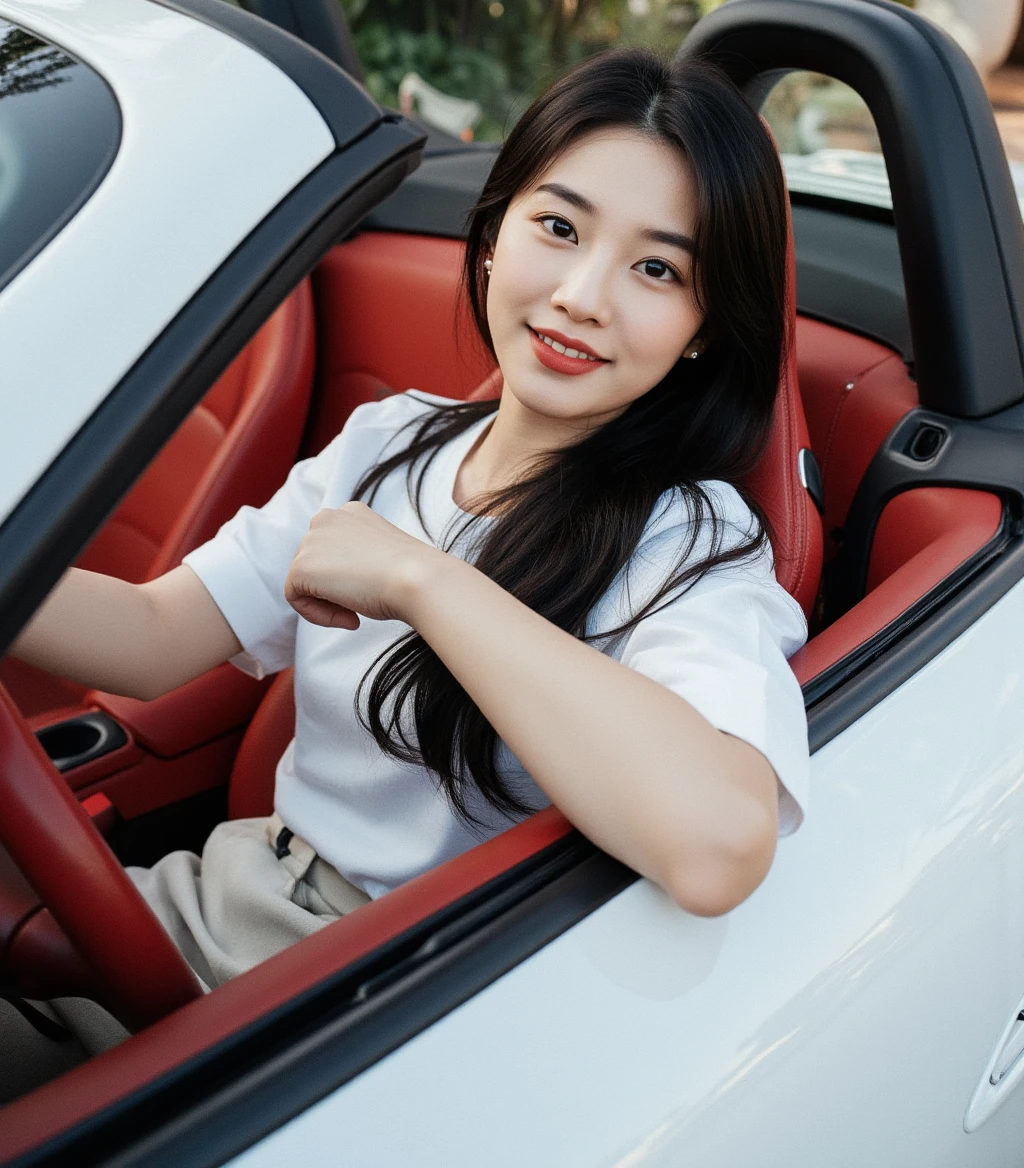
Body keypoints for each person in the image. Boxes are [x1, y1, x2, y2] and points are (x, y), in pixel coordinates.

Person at [12, 49, 809, 992]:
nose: (582, 297)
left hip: (376, 994)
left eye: (655, 269)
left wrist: (422, 582)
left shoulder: (688, 542)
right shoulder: (391, 440)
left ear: (703, 329)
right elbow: (151, 636)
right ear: (492, 235)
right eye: (557, 226)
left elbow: (718, 846)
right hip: (212, 898)